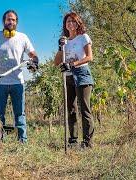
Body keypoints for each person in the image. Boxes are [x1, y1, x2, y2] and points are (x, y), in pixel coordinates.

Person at [0, 10, 39, 143]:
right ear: (4, 21)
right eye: (8, 19)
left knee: (20, 114)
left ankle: (22, 140)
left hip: (17, 82)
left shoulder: (22, 38)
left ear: (17, 22)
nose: (11, 22)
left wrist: (35, 61)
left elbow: (33, 54)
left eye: (13, 20)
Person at [54, 12, 95, 148]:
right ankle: (73, 140)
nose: (70, 23)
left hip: (82, 74)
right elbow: (56, 62)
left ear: (78, 23)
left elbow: (89, 57)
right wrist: (61, 47)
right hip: (68, 76)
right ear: (65, 25)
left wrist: (72, 64)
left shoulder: (83, 37)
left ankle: (87, 142)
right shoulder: (64, 41)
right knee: (71, 109)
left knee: (84, 109)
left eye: (73, 21)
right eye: (68, 21)